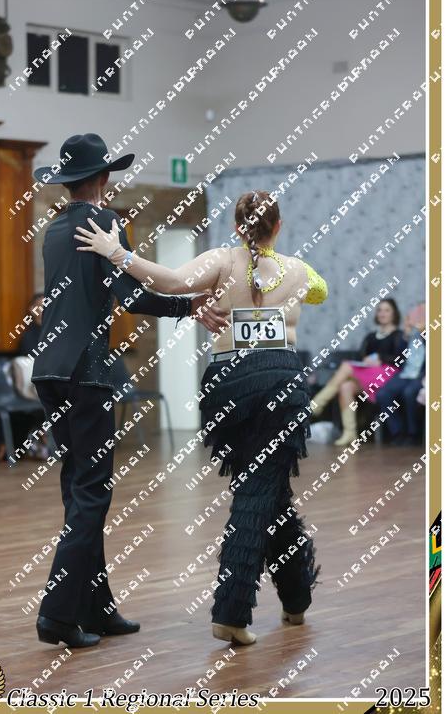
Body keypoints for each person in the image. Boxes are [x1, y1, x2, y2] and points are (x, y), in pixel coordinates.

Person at [75, 189, 328, 645]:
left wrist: (117, 252)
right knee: (259, 491)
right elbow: (321, 291)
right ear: (278, 226)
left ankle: (296, 598)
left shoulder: (222, 260)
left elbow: (170, 282)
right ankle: (231, 613)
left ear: (236, 226)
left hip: (230, 385)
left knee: (268, 491)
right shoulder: (298, 269)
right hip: (280, 382)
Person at [30, 133, 227, 648]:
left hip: (49, 371)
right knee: (92, 495)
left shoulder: (54, 229)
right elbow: (132, 297)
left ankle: (96, 608)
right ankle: (56, 615)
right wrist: (189, 306)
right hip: (87, 372)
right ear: (103, 178)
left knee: (79, 490)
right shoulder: (106, 222)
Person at [311, 298, 407, 446]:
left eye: (387, 310)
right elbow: (361, 357)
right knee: (345, 387)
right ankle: (350, 433)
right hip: (368, 375)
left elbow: (401, 358)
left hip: (387, 376)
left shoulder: (399, 335)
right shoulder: (371, 337)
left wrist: (380, 358)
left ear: (394, 313)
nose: (382, 313)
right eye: (380, 310)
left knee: (346, 366)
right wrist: (368, 361)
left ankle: (316, 404)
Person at [375, 303, 426, 445]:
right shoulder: (410, 333)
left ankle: (413, 433)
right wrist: (406, 335)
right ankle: (397, 431)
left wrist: (425, 333)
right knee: (382, 394)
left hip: (422, 375)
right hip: (405, 373)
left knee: (409, 393)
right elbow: (398, 358)